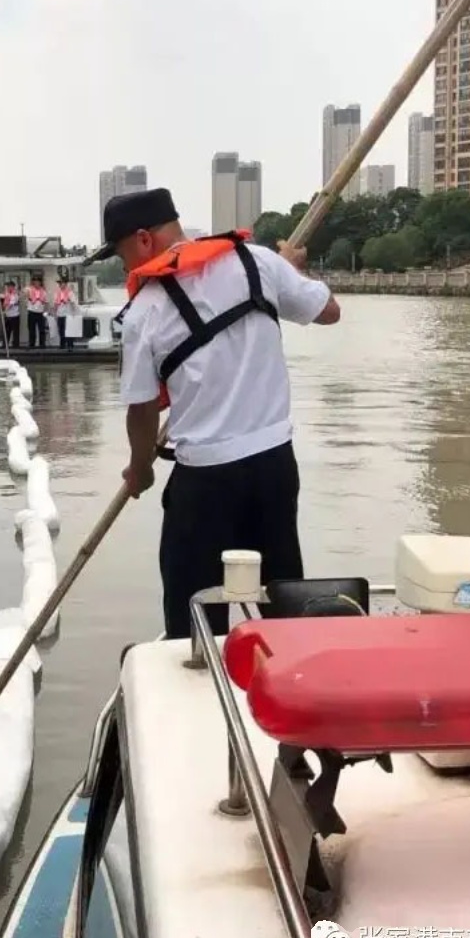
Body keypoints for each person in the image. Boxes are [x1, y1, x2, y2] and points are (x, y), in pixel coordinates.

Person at [83, 187, 341, 640]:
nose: (125, 266)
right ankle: (288, 684)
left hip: (205, 485)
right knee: (284, 602)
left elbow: (141, 412)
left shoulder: (144, 312)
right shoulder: (258, 263)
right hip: (275, 469)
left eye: (122, 253)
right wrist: (291, 270)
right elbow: (328, 312)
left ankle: (200, 687)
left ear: (144, 240)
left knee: (193, 619)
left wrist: (139, 470)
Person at [54, 276, 78, 349]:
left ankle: (70, 345)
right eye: (60, 283)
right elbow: (55, 303)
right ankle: (62, 345)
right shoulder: (57, 293)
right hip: (59, 314)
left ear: (65, 284)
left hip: (67, 314)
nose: (61, 285)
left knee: (68, 330)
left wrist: (73, 313)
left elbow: (73, 303)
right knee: (61, 330)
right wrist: (54, 314)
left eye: (62, 283)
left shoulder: (70, 293)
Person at [26, 278, 48, 347]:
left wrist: (46, 312)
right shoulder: (29, 290)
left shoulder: (44, 292)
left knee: (42, 329)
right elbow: (24, 295)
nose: (36, 284)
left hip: (40, 312)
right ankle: (32, 344)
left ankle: (42, 344)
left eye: (38, 282)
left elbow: (46, 302)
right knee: (31, 329)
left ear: (40, 283)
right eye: (35, 282)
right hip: (32, 312)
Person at [1, 280, 21, 347]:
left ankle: (15, 345)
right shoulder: (7, 294)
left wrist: (4, 311)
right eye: (7, 286)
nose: (8, 287)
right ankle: (5, 345)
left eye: (9, 286)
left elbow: (10, 305)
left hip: (14, 316)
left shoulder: (15, 295)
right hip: (8, 315)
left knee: (15, 332)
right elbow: (2, 297)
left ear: (13, 287)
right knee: (6, 331)